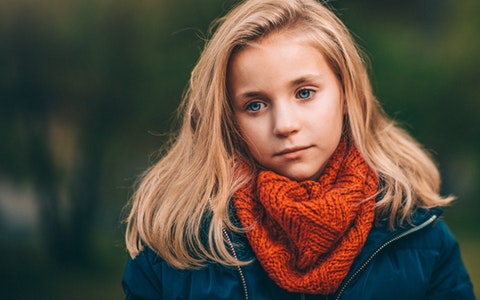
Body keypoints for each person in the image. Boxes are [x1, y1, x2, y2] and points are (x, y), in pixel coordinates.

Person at [122, 0, 475, 299]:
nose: (284, 125)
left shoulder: (419, 235)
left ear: (346, 94)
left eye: (304, 92)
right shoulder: (178, 247)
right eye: (256, 105)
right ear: (229, 119)